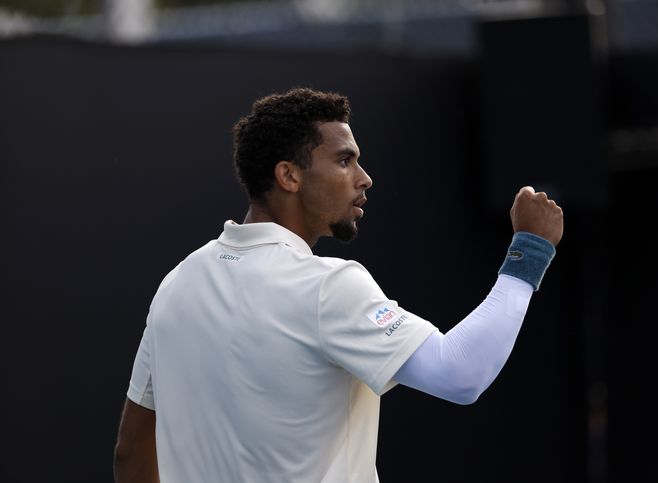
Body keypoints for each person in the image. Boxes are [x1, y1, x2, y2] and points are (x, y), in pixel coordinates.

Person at [113, 87, 563, 483]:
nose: (364, 178)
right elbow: (462, 373)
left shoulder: (176, 284)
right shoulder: (329, 286)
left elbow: (130, 452)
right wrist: (530, 251)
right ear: (288, 176)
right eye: (345, 160)